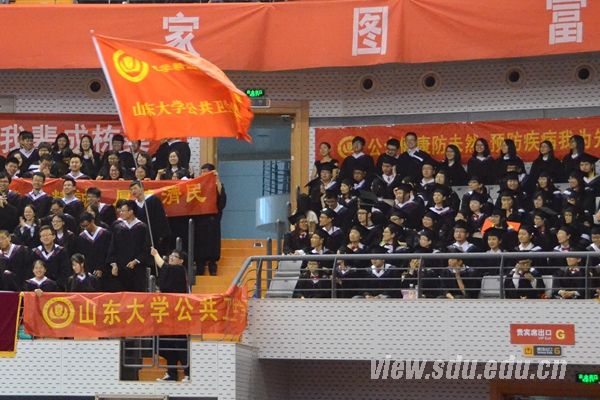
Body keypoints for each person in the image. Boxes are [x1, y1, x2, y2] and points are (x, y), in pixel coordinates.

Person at [151, 246, 190, 382]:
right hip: (167, 312)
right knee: (168, 342)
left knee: (179, 343)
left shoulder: (179, 270)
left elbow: (164, 266)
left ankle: (188, 373)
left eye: (175, 257)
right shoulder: (171, 271)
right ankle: (171, 373)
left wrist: (155, 254)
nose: (172, 258)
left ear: (181, 261)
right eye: (171, 256)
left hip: (178, 313)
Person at [107, 200, 151, 292]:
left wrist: (136, 261)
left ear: (131, 211)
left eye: (123, 211)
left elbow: (146, 248)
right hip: (120, 269)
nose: (120, 213)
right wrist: (113, 264)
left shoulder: (142, 227)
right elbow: (112, 246)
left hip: (137, 270)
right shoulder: (117, 226)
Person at [193, 164, 226, 276]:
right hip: (199, 219)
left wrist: (216, 179)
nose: (203, 173)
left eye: (206, 171)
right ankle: (200, 265)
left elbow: (222, 201)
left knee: (213, 242)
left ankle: (212, 265)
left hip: (212, 219)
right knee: (199, 243)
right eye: (202, 171)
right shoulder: (197, 185)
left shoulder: (217, 185)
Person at [129, 180, 171, 257]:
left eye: (135, 188)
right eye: (131, 190)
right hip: (141, 237)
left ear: (142, 188)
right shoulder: (133, 205)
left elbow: (161, 218)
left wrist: (161, 235)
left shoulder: (153, 200)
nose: (133, 191)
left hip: (155, 236)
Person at [75, 212, 114, 291]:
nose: (85, 228)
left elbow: (108, 253)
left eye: (86, 225)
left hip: (105, 271)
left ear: (92, 221)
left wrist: (101, 268)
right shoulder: (82, 237)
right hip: (89, 271)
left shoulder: (105, 234)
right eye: (83, 226)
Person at [32, 225, 71, 289]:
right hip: (38, 288)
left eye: (48, 235)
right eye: (43, 236)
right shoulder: (35, 252)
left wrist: (55, 285)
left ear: (54, 236)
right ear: (40, 239)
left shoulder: (61, 251)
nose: (45, 237)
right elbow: (31, 271)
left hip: (57, 288)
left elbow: (65, 271)